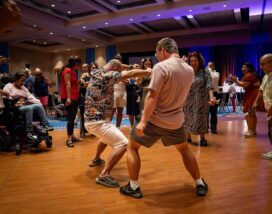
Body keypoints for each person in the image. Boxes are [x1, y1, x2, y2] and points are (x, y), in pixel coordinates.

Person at [120, 37, 208, 199]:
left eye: (157, 53)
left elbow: (152, 97)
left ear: (163, 50)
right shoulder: (189, 69)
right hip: (176, 122)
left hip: (154, 120)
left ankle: (133, 186)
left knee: (132, 147)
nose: (156, 56)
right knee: (184, 150)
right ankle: (199, 182)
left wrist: (143, 122)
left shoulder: (161, 67)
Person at [84, 59, 151, 187]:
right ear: (115, 70)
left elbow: (118, 65)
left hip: (91, 120)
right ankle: (104, 175)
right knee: (123, 143)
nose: (120, 72)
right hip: (98, 122)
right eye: (119, 70)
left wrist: (128, 65)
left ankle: (96, 159)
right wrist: (147, 71)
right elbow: (130, 74)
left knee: (105, 138)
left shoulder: (97, 71)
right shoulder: (108, 75)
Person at [3, 72, 54, 141]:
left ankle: (46, 125)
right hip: (14, 108)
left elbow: (31, 97)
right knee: (29, 108)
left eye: (24, 81)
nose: (23, 83)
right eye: (21, 81)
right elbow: (5, 97)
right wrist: (14, 99)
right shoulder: (8, 86)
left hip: (24, 106)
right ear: (15, 79)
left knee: (38, 105)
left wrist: (38, 103)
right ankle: (29, 131)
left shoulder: (23, 88)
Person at [184, 52, 215, 147]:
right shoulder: (187, 71)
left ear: (199, 61)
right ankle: (188, 136)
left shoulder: (205, 71)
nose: (193, 62)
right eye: (191, 61)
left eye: (195, 60)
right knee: (187, 117)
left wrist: (211, 97)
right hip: (188, 99)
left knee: (201, 117)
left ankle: (202, 138)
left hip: (201, 99)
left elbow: (209, 85)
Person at [230, 62, 265, 137]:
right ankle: (253, 130)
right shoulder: (252, 74)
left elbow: (243, 85)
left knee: (248, 113)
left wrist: (235, 80)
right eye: (242, 67)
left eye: (244, 67)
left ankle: (250, 131)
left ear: (249, 68)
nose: (242, 68)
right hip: (252, 93)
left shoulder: (250, 75)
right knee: (252, 113)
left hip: (252, 94)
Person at [60, 56, 82, 147]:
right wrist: (69, 98)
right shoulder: (67, 70)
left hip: (74, 97)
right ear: (76, 64)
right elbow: (67, 84)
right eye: (78, 64)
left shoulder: (72, 71)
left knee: (72, 118)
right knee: (71, 118)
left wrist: (78, 82)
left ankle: (72, 136)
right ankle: (69, 138)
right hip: (69, 97)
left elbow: (72, 83)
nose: (79, 66)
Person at [78, 63, 91, 137]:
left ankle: (91, 130)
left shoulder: (92, 76)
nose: (83, 68)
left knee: (91, 115)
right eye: (82, 67)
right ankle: (82, 132)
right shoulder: (81, 77)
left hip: (91, 98)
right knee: (83, 115)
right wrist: (81, 80)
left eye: (85, 67)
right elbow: (79, 87)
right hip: (83, 98)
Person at [207, 61, 219, 133]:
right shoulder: (206, 73)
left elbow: (213, 78)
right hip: (205, 94)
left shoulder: (216, 74)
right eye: (208, 66)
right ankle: (205, 127)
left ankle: (213, 128)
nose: (208, 68)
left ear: (213, 67)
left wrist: (208, 71)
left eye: (210, 66)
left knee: (214, 112)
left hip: (214, 93)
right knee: (205, 112)